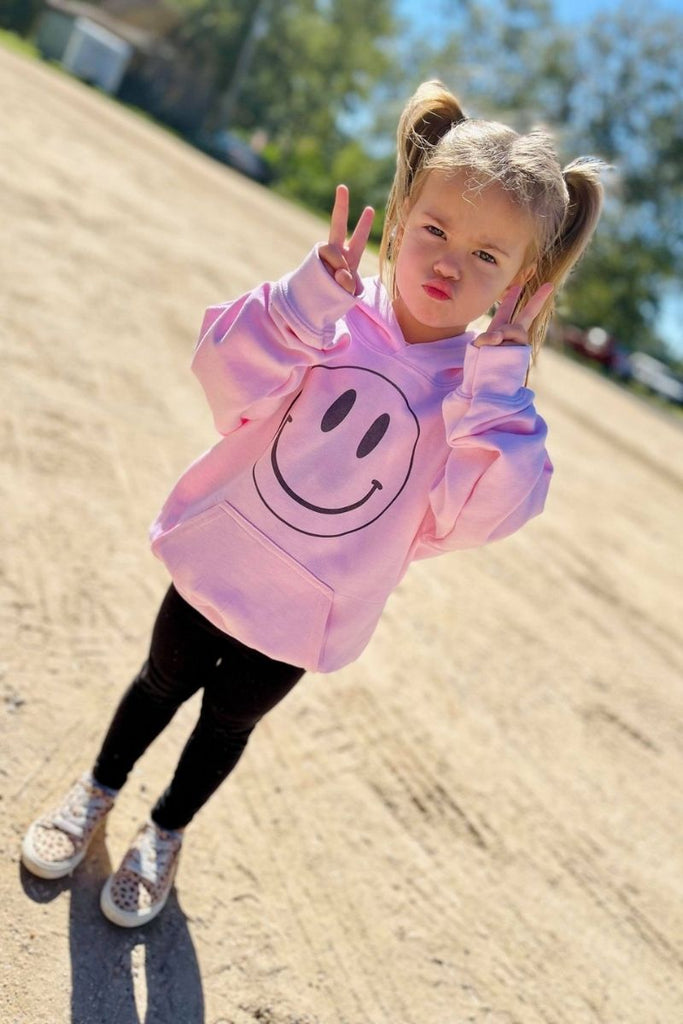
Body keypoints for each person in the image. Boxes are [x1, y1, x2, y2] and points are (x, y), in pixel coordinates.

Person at [21, 81, 603, 927]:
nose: (449, 263)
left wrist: (498, 388)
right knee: (160, 681)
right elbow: (226, 380)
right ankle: (96, 790)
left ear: (525, 280)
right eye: (435, 230)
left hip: (310, 605)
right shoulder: (330, 313)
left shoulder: (482, 398)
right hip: (222, 553)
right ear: (399, 217)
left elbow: (479, 514)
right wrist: (298, 306)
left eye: (487, 256)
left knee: (226, 725)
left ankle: (164, 832)